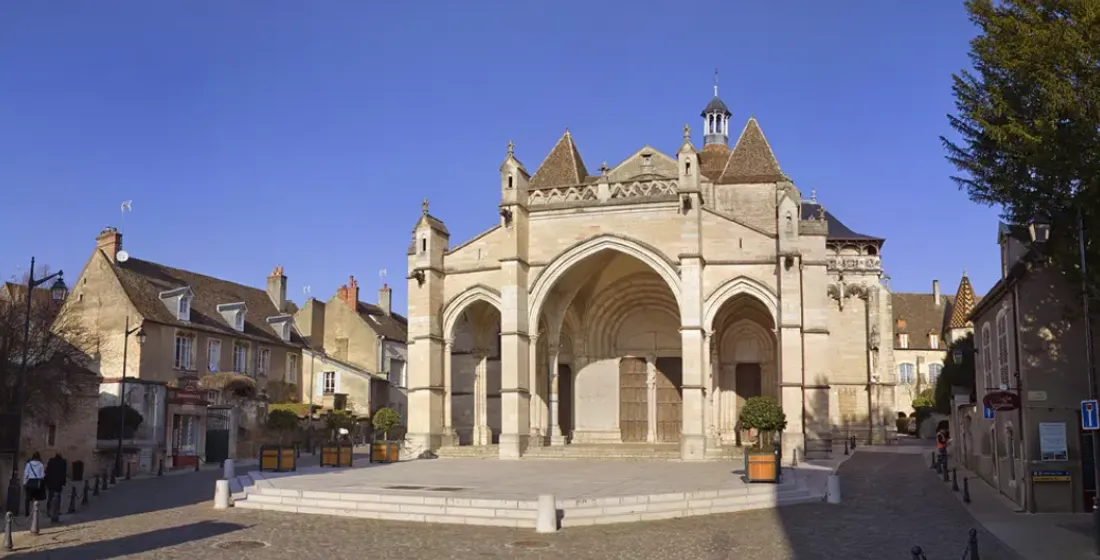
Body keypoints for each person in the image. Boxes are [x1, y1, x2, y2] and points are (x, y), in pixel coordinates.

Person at [44, 452, 67, 518]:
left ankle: (48, 511)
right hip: (58, 483)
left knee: (50, 497)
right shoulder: (63, 462)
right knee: (58, 497)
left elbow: (47, 472)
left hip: (51, 482)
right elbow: (64, 473)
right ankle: (57, 511)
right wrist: (63, 482)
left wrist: (46, 482)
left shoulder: (51, 461)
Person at [22, 452, 45, 517]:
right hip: (37, 483)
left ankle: (27, 512)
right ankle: (35, 512)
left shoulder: (28, 464)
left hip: (30, 482)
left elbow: (26, 474)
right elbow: (42, 476)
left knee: (27, 498)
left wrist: (24, 483)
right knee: (36, 498)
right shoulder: (41, 465)